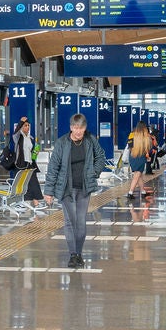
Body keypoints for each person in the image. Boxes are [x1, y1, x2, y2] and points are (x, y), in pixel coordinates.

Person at [43, 111, 109, 270]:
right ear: (71, 128)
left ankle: (78, 253)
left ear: (85, 128)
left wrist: (95, 172)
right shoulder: (62, 143)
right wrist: (48, 191)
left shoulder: (90, 140)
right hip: (66, 188)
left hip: (84, 188)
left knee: (80, 223)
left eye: (81, 128)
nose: (78, 131)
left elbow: (101, 156)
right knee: (70, 221)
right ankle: (73, 254)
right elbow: (53, 167)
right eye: (75, 127)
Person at [10, 115, 45, 208]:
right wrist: (21, 122)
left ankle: (36, 202)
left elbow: (31, 150)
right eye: (25, 125)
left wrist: (35, 153)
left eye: (28, 125)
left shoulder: (30, 138)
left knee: (33, 181)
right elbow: (15, 133)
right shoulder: (18, 137)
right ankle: (19, 203)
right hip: (21, 163)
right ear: (21, 127)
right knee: (21, 183)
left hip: (29, 162)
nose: (27, 127)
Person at [126, 125, 155, 202]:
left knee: (139, 175)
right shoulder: (145, 137)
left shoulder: (132, 134)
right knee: (137, 175)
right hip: (140, 157)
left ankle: (143, 192)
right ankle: (130, 193)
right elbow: (150, 148)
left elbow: (129, 145)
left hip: (132, 156)